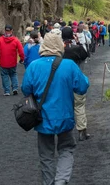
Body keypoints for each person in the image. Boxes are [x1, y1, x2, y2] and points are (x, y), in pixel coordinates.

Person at [22, 32, 89, 185]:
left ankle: (49, 182)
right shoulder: (69, 65)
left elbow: (26, 90)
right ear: (59, 46)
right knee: (67, 148)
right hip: (65, 116)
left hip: (42, 118)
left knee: (46, 154)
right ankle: (61, 180)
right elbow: (82, 87)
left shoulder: (33, 66)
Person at [0, 25, 25, 96]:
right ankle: (15, 88)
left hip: (3, 62)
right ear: (12, 31)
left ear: (5, 30)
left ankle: (7, 91)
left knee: (4, 76)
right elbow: (21, 51)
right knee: (13, 74)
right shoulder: (16, 40)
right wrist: (22, 58)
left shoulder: (0, 40)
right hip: (12, 62)